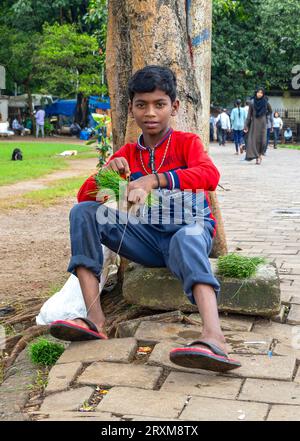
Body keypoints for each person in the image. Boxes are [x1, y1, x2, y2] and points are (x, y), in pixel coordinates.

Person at [49, 65, 241, 373]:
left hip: (187, 234)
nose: (150, 112)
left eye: (159, 104)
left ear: (174, 107)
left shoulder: (186, 143)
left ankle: (214, 337)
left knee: (187, 237)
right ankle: (95, 319)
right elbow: (85, 196)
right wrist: (105, 174)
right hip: (146, 240)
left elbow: (210, 175)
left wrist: (155, 179)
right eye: (142, 105)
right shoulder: (126, 154)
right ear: (132, 109)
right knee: (83, 213)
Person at [244, 87, 272, 164]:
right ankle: (257, 157)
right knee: (254, 141)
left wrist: (265, 115)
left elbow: (270, 111)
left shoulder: (266, 102)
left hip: (263, 124)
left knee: (262, 141)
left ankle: (260, 154)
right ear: (256, 93)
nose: (259, 94)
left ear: (263, 94)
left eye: (261, 93)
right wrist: (246, 126)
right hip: (254, 124)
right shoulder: (252, 102)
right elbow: (249, 115)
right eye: (258, 92)